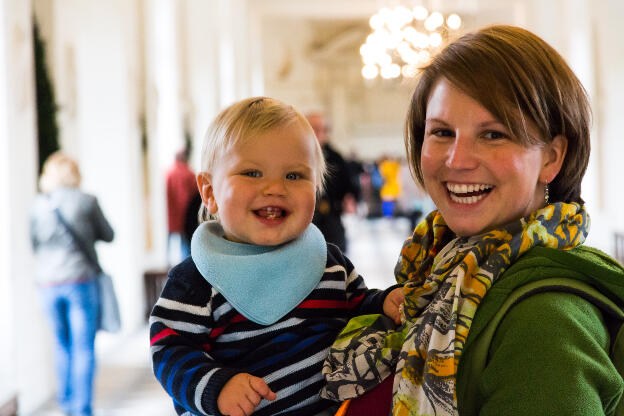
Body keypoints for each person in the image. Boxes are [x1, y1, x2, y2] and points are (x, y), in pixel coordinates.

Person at [321, 25, 624, 416]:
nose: (457, 160)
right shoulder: (436, 269)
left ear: (551, 157)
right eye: (442, 132)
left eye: (494, 134)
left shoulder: (546, 320)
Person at [149, 97, 404, 416]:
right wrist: (216, 386)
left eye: (294, 176)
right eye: (252, 173)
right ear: (210, 192)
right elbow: (169, 349)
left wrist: (382, 302)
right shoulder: (197, 281)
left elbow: (356, 302)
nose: (274, 188)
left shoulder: (327, 260)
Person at [30, 152, 114, 416]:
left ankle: (66, 405)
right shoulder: (87, 201)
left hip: (47, 284)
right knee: (83, 346)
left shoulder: (38, 206)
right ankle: (83, 409)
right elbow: (109, 234)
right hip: (80, 281)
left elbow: (33, 244)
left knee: (61, 344)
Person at [306, 113, 357, 252]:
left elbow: (349, 185)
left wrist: (350, 198)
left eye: (319, 129)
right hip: (303, 221)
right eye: (311, 128)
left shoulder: (336, 158)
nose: (315, 133)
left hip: (331, 217)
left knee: (336, 256)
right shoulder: (292, 156)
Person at [166, 148, 197, 264]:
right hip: (185, 218)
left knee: (168, 250)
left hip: (170, 218)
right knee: (186, 250)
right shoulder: (190, 174)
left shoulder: (168, 174)